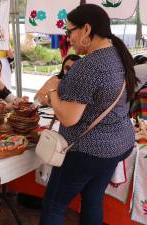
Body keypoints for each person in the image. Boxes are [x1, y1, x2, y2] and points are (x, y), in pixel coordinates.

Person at [39, 4, 138, 225]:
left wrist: (53, 89)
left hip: (87, 151)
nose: (68, 38)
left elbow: (68, 117)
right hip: (117, 146)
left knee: (54, 204)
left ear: (86, 29)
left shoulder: (88, 66)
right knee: (93, 199)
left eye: (69, 32)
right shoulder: (119, 55)